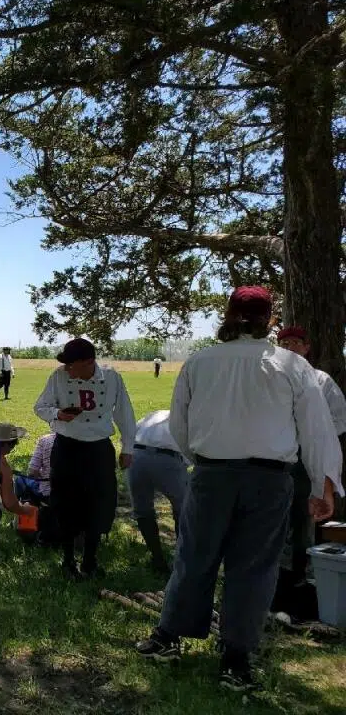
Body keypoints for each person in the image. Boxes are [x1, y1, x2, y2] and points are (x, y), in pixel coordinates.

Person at [135, 286, 338, 692]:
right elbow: (316, 431)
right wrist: (322, 484)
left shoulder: (201, 361)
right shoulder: (292, 366)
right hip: (269, 479)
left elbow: (180, 424)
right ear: (270, 320)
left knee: (195, 556)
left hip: (213, 473)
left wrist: (203, 462)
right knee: (253, 568)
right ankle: (236, 658)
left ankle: (168, 637)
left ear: (228, 315)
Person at [34, 338, 136, 579]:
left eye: (72, 364)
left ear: (89, 361)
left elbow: (124, 413)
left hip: (98, 450)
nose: (67, 368)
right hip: (67, 448)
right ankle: (67, 560)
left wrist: (128, 447)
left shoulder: (112, 378)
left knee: (98, 504)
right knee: (65, 503)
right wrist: (58, 414)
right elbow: (40, 407)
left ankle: (90, 560)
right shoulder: (58, 376)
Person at [275, 325, 346, 602]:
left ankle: (298, 576)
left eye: (296, 342)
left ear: (306, 348)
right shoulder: (271, 378)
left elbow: (340, 419)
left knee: (302, 517)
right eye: (285, 342)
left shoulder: (321, 380)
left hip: (305, 459)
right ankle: (273, 575)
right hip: (275, 457)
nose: (290, 347)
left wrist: (313, 433)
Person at [128, 410, 189, 574]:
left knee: (143, 510)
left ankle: (157, 558)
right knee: (184, 509)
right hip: (168, 459)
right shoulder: (187, 420)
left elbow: (130, 432)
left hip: (136, 456)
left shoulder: (154, 415)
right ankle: (182, 560)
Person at [14, 432, 55, 503]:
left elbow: (32, 471)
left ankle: (22, 507)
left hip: (48, 493)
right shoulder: (80, 441)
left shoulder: (46, 440)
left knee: (20, 480)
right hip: (77, 493)